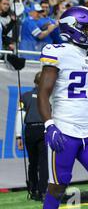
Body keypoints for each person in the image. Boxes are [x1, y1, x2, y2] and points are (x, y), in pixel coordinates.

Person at [38, 6, 88, 209]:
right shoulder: (58, 52)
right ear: (72, 28)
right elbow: (43, 94)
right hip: (64, 131)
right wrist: (50, 125)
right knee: (57, 187)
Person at [15, 71, 48, 201]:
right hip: (44, 130)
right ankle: (43, 191)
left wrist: (18, 136)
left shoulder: (25, 96)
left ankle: (33, 190)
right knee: (44, 162)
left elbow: (20, 117)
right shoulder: (48, 96)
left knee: (32, 163)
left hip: (30, 131)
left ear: (35, 82)